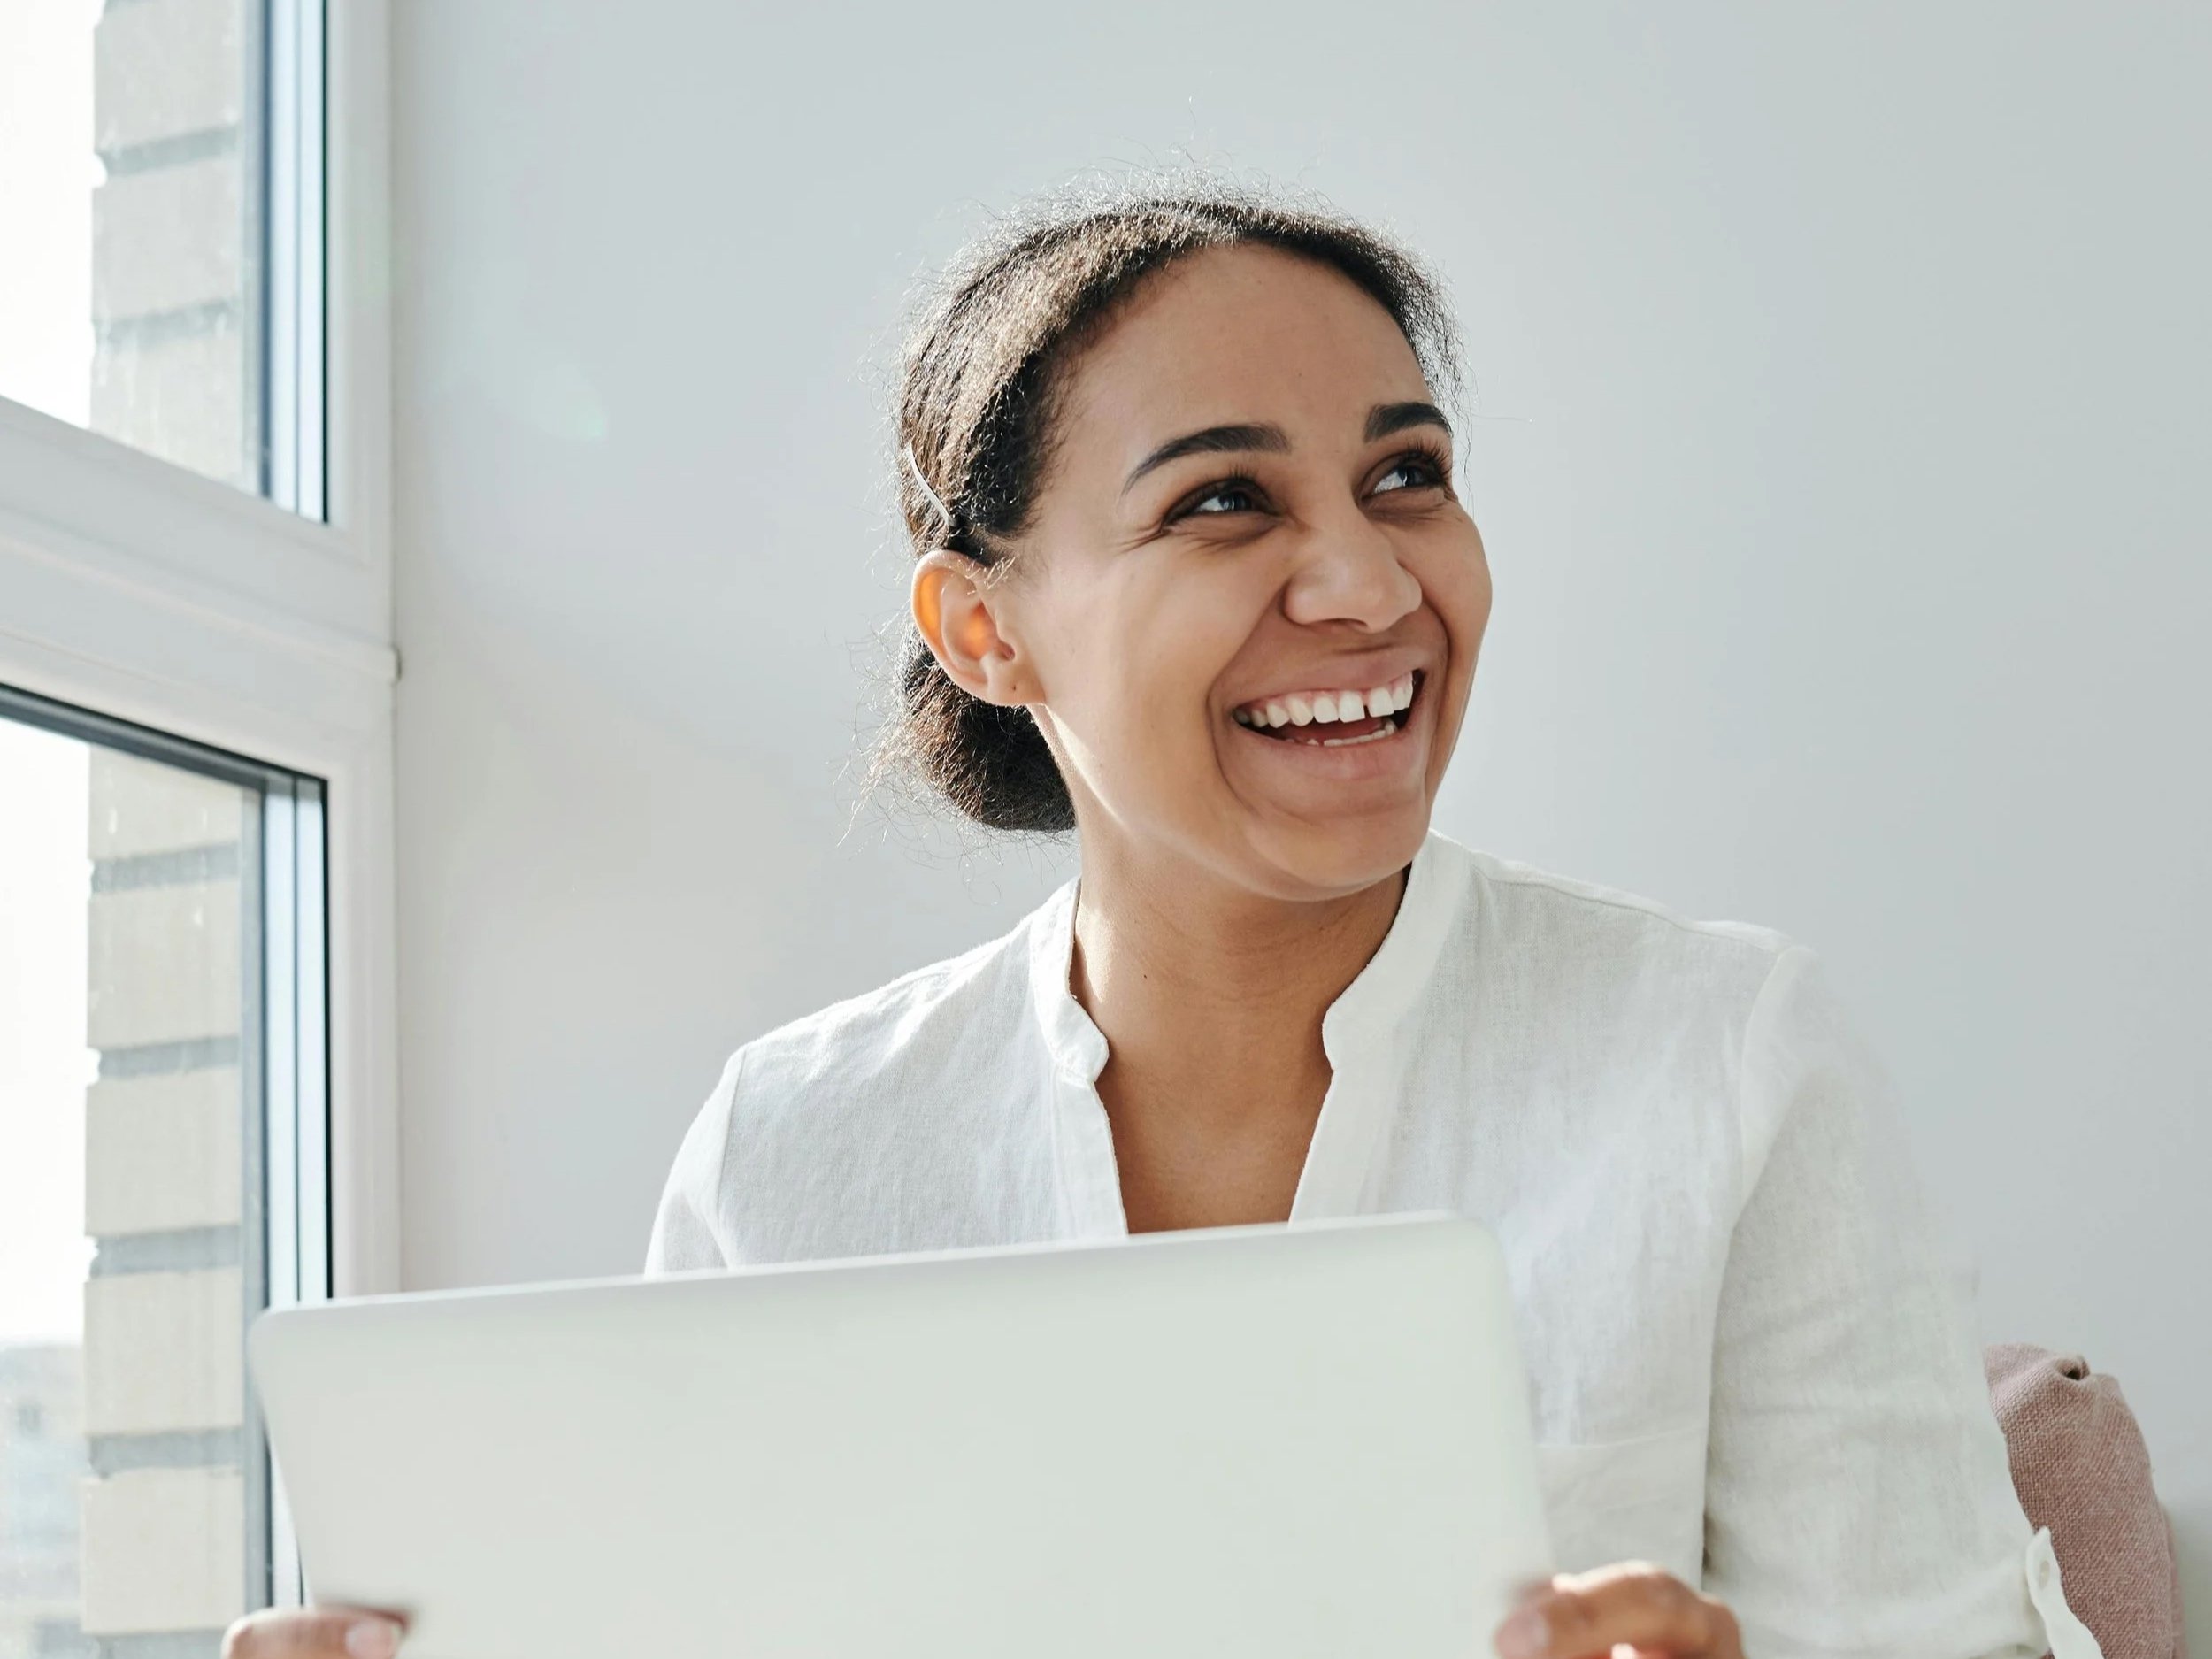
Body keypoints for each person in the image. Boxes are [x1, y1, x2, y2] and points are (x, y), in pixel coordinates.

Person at [225, 181, 2090, 1659]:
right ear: (985, 628)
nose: (1364, 582)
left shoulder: (1717, 1062)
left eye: (1403, 476)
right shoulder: (797, 1148)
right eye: (1221, 501)